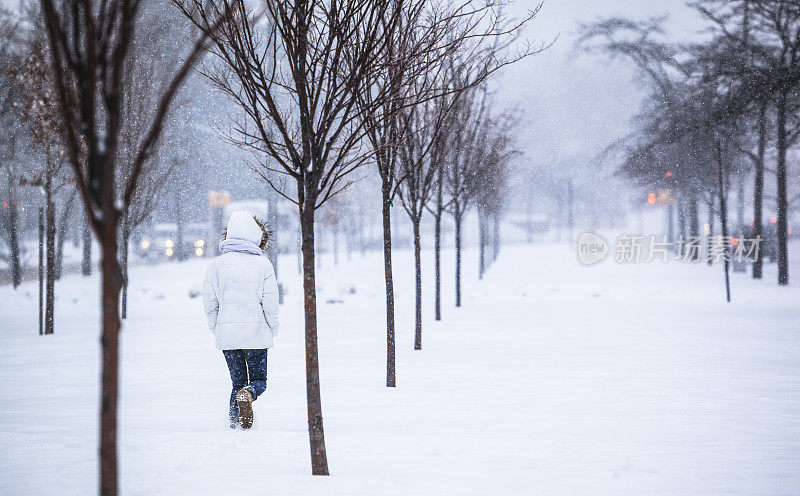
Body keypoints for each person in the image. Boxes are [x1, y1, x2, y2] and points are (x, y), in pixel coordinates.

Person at [203, 211, 279, 429]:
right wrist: (272, 329)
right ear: (255, 235)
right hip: (256, 335)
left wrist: (216, 328)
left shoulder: (216, 266)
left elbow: (210, 304)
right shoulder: (263, 265)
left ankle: (235, 426)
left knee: (236, 382)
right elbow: (270, 304)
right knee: (259, 381)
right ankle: (250, 393)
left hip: (228, 337)